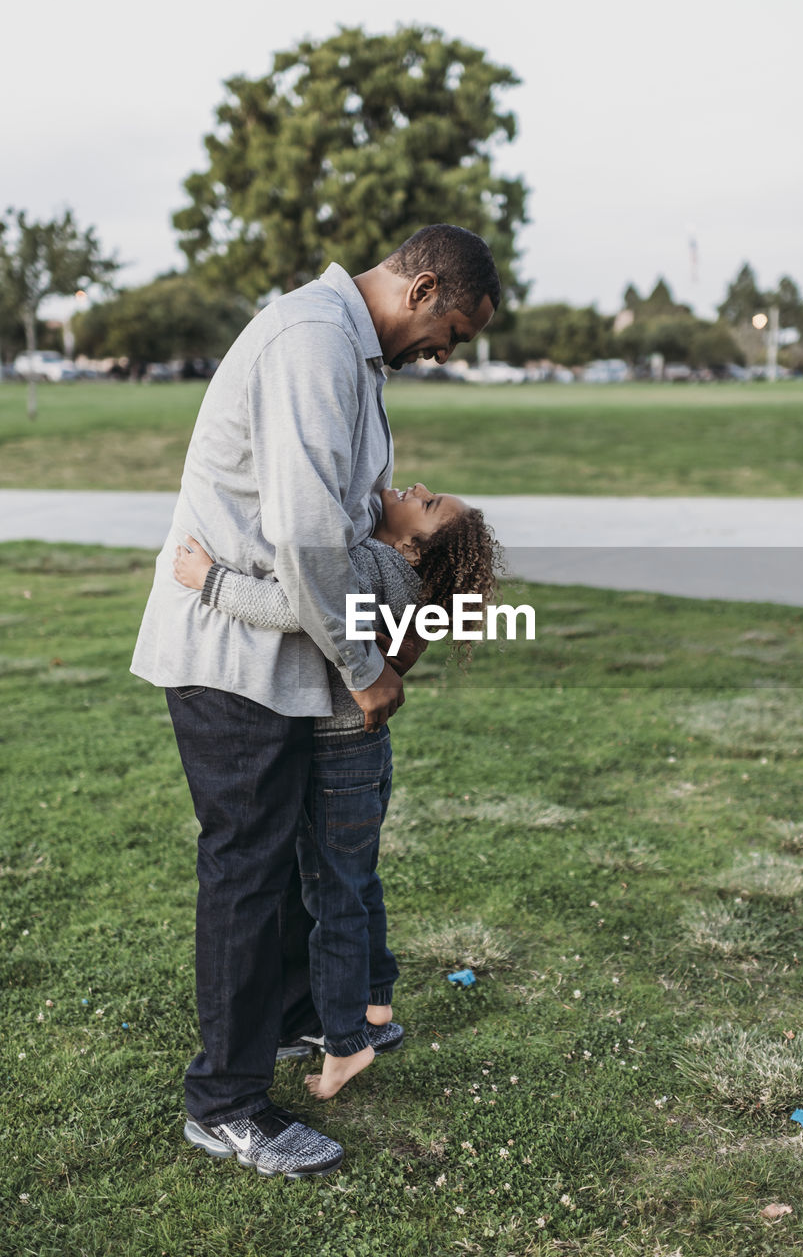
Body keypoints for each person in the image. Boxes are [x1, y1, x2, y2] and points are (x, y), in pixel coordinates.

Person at [130, 225, 499, 1177]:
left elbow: (348, 520)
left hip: (284, 658)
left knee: (293, 861)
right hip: (232, 655)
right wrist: (370, 668)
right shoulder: (311, 341)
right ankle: (226, 1106)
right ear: (422, 289)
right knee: (247, 875)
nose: (446, 353)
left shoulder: (355, 357)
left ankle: (300, 1019)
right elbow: (304, 538)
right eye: (451, 329)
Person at [172, 482, 503, 1099]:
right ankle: (376, 1004)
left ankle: (347, 1042)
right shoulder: (403, 576)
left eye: (427, 505)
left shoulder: (373, 565)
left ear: (409, 550)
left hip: (338, 755)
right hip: (367, 755)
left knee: (334, 900)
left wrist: (209, 580)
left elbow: (299, 606)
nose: (419, 488)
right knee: (357, 883)